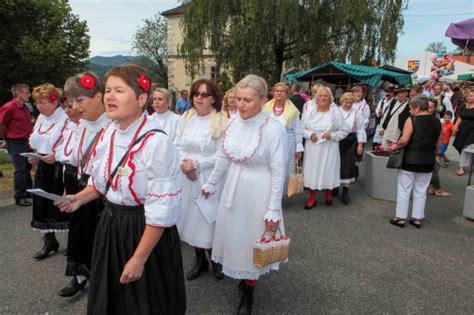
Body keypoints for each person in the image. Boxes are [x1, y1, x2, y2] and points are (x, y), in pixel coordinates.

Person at [55, 64, 186, 314]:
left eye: (119, 90)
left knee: (145, 302)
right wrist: (80, 198)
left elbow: (161, 211)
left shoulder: (157, 142)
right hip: (111, 226)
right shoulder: (109, 134)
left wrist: (139, 258)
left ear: (141, 99)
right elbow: (101, 182)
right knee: (111, 300)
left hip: (144, 231)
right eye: (108, 91)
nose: (110, 96)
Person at [201, 74, 288, 314]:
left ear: (262, 99)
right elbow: (223, 157)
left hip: (259, 187)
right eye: (238, 99)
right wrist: (211, 183)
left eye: (247, 100)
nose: (240, 104)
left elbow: (279, 171)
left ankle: (249, 290)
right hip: (234, 186)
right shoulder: (233, 122)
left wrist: (273, 207)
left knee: (253, 239)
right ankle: (241, 275)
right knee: (236, 236)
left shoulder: (273, 128)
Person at [56, 72, 112, 297]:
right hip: (83, 185)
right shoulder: (84, 124)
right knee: (80, 234)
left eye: (80, 100)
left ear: (98, 97)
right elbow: (76, 158)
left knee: (100, 241)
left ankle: (101, 281)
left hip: (102, 193)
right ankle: (80, 276)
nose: (76, 107)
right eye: (73, 102)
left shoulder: (110, 125)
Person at [176, 78, 228, 281]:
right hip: (186, 177)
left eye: (204, 94)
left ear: (213, 99)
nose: (199, 97)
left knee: (208, 219)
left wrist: (196, 164)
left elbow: (222, 154)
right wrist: (184, 164)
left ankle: (215, 259)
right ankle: (200, 261)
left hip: (208, 177)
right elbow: (177, 145)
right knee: (191, 219)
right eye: (196, 93)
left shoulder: (222, 121)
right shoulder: (186, 117)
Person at [28, 83, 70, 259]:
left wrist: (56, 154)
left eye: (42, 102)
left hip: (62, 165)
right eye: (37, 102)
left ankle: (74, 241)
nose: (39, 106)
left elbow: (70, 142)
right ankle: (49, 240)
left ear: (54, 101)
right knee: (42, 201)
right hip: (44, 164)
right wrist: (35, 154)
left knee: (64, 203)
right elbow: (34, 139)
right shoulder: (41, 118)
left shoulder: (65, 117)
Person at [389, 95, 442, 228]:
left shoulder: (412, 119)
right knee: (421, 190)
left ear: (417, 108)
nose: (409, 111)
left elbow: (404, 139)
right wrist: (433, 154)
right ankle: (417, 218)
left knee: (404, 189)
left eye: (411, 108)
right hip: (428, 161)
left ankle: (400, 218)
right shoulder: (437, 122)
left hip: (410, 159)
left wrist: (395, 145)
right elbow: (438, 144)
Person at [302, 86, 348, 209]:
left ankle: (328, 194)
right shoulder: (309, 111)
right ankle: (312, 198)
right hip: (313, 146)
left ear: (330, 98)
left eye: (326, 96)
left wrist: (332, 135)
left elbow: (344, 130)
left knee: (328, 169)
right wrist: (310, 134)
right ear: (316, 98)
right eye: (320, 96)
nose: (323, 98)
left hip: (329, 146)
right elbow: (301, 128)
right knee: (312, 170)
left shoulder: (336, 112)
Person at [263, 82, 303, 191]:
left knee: (284, 170)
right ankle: (268, 193)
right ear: (273, 93)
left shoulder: (293, 110)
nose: (279, 93)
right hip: (270, 142)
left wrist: (298, 148)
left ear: (287, 94)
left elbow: (297, 129)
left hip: (288, 143)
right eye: (277, 90)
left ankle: (279, 196)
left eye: (282, 91)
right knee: (270, 168)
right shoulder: (266, 108)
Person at [0, 84, 34, 206]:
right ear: (18, 93)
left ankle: (28, 192)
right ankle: (19, 196)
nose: (29, 94)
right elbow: (2, 125)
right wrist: (7, 139)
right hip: (16, 142)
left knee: (27, 167)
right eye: (26, 92)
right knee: (20, 170)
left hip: (26, 141)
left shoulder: (25, 107)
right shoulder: (8, 107)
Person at [336, 92, 366, 204]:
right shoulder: (336, 111)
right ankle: (334, 187)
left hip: (351, 139)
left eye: (350, 102)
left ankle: (345, 191)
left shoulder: (356, 113)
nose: (348, 104)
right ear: (342, 101)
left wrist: (360, 144)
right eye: (346, 102)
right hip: (337, 139)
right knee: (335, 163)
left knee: (348, 165)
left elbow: (360, 129)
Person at [426, 100, 451, 197]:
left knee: (435, 166)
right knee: (434, 167)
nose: (428, 109)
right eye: (426, 106)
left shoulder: (436, 121)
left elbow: (439, 138)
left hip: (430, 149)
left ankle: (433, 187)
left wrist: (436, 151)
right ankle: (436, 188)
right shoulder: (417, 118)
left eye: (430, 107)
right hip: (423, 150)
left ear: (434, 109)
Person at [453, 88, 474, 176]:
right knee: (458, 145)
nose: (469, 97)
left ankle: (461, 168)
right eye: (468, 96)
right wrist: (456, 126)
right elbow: (460, 117)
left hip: (472, 131)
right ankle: (468, 162)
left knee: (465, 147)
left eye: (471, 96)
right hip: (462, 129)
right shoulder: (463, 105)